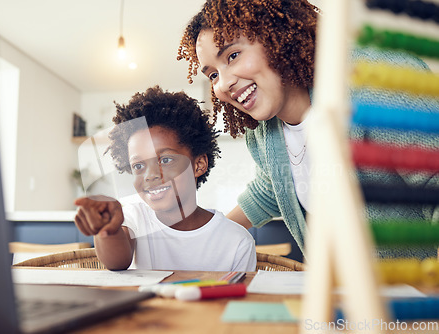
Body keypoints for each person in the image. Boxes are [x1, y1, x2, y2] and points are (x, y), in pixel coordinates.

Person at [177, 0, 439, 259]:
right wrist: (204, 236)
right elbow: (270, 189)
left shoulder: (372, 82)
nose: (223, 84)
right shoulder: (263, 135)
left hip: (412, 291)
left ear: (277, 36)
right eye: (212, 75)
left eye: (233, 56)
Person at [74, 86, 257, 271]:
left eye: (165, 159)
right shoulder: (134, 218)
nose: (150, 175)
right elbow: (117, 261)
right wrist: (108, 230)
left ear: (198, 165)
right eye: (138, 165)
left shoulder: (237, 241)